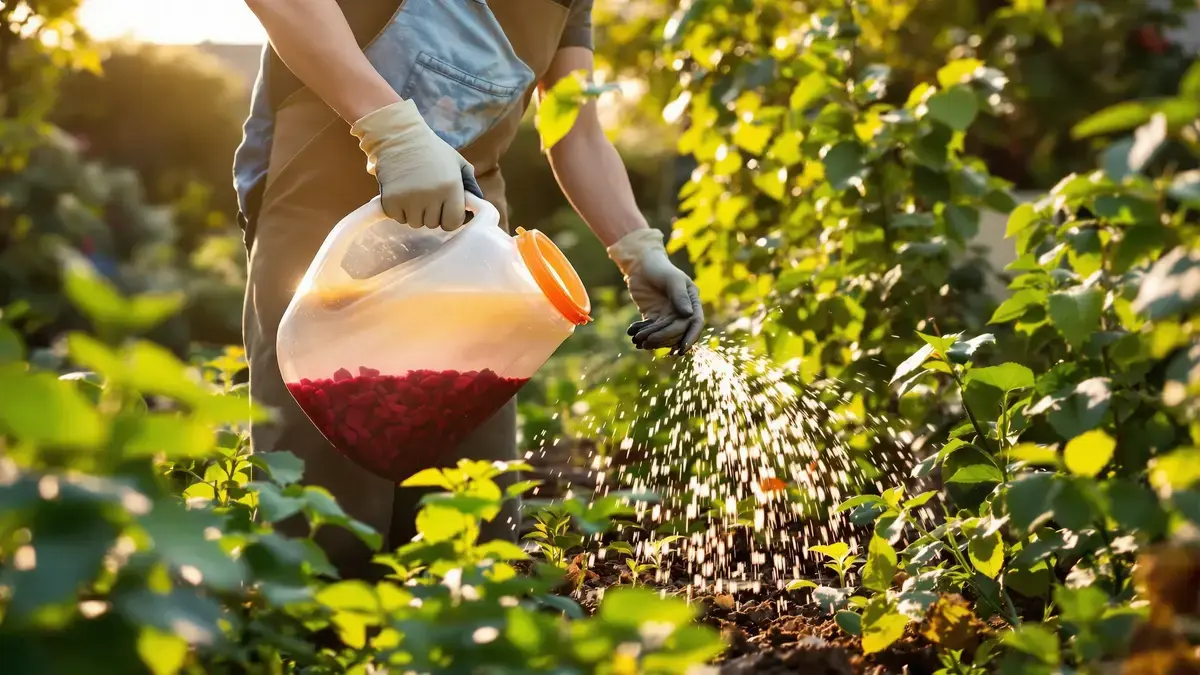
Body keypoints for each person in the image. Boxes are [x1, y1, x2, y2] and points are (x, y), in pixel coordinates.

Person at [236, 0, 704, 579]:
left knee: (467, 518)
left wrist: (638, 249)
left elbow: (573, 130)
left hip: (471, 248)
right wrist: (393, 132)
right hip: (323, 219)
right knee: (323, 517)